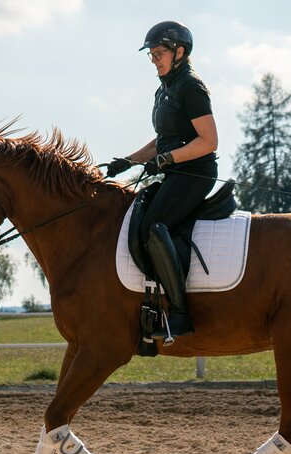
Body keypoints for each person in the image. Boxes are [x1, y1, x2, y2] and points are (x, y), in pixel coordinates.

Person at [105, 21, 218, 340]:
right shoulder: (164, 89)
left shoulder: (191, 87)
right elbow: (162, 140)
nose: (154, 59)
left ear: (179, 52)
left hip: (196, 174)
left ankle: (181, 314)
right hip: (173, 172)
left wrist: (167, 160)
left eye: (159, 53)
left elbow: (208, 142)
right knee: (138, 220)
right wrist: (127, 161)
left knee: (155, 227)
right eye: (151, 55)